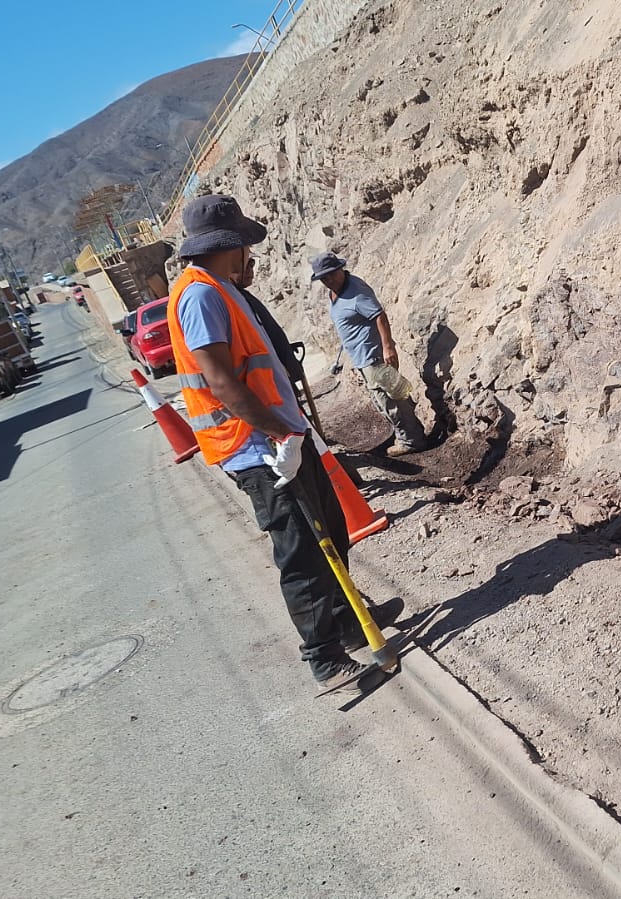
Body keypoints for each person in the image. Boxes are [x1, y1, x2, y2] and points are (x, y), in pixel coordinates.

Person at [166, 195, 396, 698]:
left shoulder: (222, 289)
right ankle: (324, 657)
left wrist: (292, 431)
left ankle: (349, 620)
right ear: (229, 246)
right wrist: (277, 436)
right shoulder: (200, 294)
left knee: (331, 528)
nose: (252, 255)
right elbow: (223, 382)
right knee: (301, 552)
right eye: (247, 245)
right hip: (257, 447)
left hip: (283, 435)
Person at [308, 252, 427, 456]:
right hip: (361, 357)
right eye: (323, 278)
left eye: (330, 275)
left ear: (340, 270)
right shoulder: (335, 292)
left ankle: (410, 440)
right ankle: (414, 431)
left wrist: (387, 346)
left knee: (389, 399)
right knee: (392, 393)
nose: (327, 281)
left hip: (373, 355)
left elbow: (378, 315)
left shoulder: (356, 290)